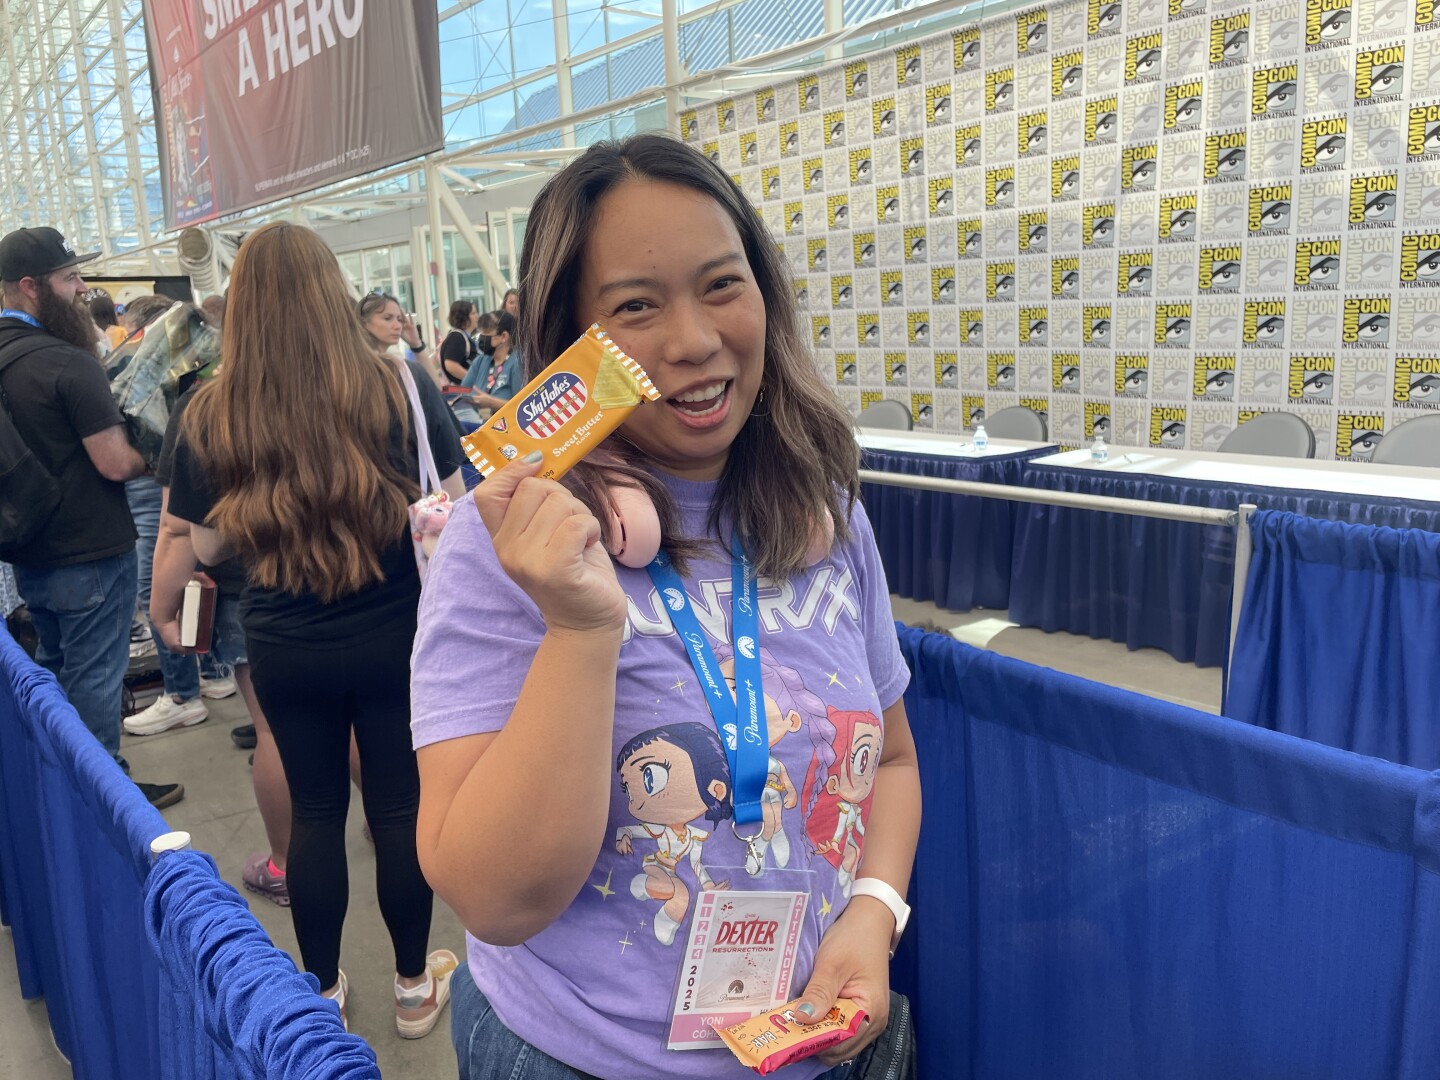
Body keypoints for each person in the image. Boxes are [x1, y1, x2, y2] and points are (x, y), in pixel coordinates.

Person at [410, 135, 921, 1080]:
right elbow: (492, 898)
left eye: (723, 284)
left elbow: (889, 757)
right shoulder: (513, 543)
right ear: (573, 343)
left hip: (831, 1042)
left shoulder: (829, 516)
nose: (692, 339)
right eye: (637, 305)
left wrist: (874, 912)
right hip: (584, 1059)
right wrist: (579, 629)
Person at [164, 222, 464, 1037]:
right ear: (335, 293)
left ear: (244, 309)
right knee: (400, 808)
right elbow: (457, 495)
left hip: (284, 642)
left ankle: (323, 992)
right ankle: (412, 988)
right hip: (396, 632)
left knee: (317, 812)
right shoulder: (398, 384)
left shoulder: (211, 412)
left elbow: (211, 545)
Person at [0, 226, 183, 808]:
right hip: (92, 554)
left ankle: (60, 794)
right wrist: (162, 446)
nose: (82, 290)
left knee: (50, 682)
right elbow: (113, 462)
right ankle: (104, 804)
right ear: (31, 287)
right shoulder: (65, 361)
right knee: (95, 687)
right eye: (70, 278)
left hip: (27, 550)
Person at [150, 382, 290, 905]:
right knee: (351, 721)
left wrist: (163, 609)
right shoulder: (354, 381)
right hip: (343, 584)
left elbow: (178, 527)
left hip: (247, 588)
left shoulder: (209, 401)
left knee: (274, 731)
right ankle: (402, 830)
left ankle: (285, 865)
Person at [121, 298, 235, 739]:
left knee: (167, 582)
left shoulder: (203, 397)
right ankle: (212, 669)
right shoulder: (391, 379)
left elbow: (186, 532)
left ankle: (182, 693)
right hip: (371, 599)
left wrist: (163, 613)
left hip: (166, 492)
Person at [467, 310, 521, 413]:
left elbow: (522, 406)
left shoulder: (517, 362)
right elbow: (463, 393)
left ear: (504, 336)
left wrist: (491, 402)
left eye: (486, 333)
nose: (481, 337)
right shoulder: (481, 361)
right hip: (483, 424)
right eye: (481, 332)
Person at [439, 300, 480, 384]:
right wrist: (474, 379)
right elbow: (451, 365)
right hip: (461, 392)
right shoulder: (457, 337)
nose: (477, 316)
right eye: (473, 313)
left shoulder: (463, 336)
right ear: (463, 317)